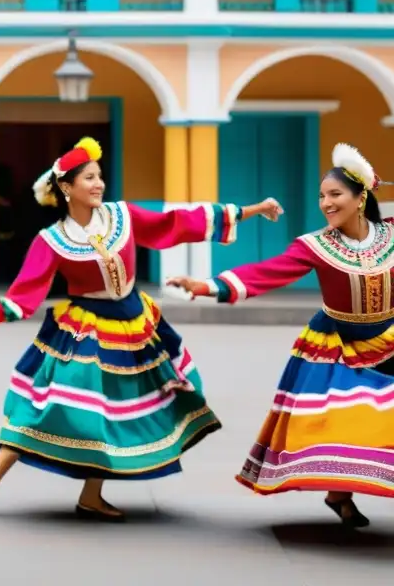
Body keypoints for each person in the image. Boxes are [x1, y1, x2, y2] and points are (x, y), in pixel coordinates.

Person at [0, 137, 284, 521]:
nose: (98, 184)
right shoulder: (52, 240)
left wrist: (251, 210)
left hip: (135, 324)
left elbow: (177, 222)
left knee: (113, 414)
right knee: (48, 408)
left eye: (99, 176)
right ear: (66, 188)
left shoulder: (121, 216)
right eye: (88, 178)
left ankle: (91, 494)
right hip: (83, 331)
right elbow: (23, 298)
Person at [167, 142, 394, 528]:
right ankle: (340, 492)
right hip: (337, 344)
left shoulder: (390, 236)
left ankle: (340, 493)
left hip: (388, 338)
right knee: (345, 421)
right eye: (322, 196)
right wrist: (206, 286)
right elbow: (265, 273)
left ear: (361, 198)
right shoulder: (317, 245)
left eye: (335, 195)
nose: (326, 203)